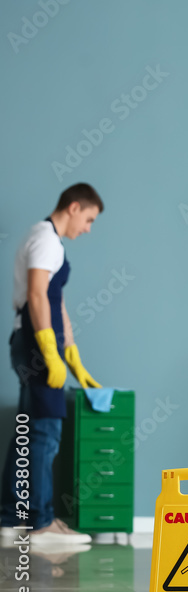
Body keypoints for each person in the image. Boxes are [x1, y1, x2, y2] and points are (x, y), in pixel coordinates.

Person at [1, 183, 104, 545]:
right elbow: (35, 294)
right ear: (74, 207)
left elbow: (55, 301)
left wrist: (71, 354)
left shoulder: (47, 239)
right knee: (44, 436)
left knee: (28, 435)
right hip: (35, 347)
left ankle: (13, 520)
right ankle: (40, 524)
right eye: (89, 219)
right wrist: (49, 350)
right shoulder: (46, 238)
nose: (88, 228)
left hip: (35, 347)